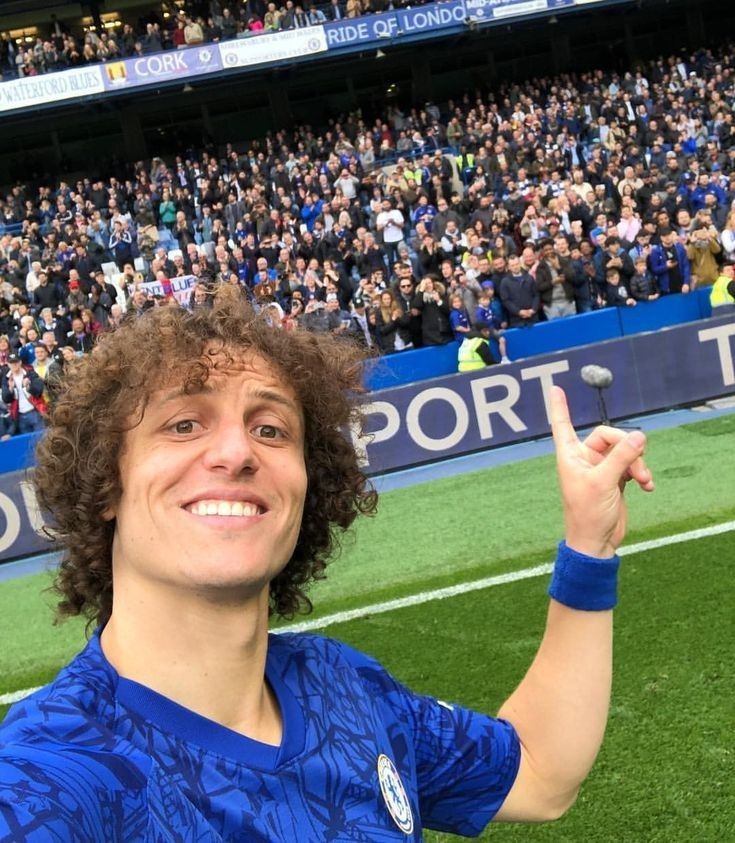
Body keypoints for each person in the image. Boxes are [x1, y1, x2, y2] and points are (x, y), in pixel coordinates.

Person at [0, 296, 656, 839]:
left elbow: (539, 771)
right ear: (105, 483)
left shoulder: (344, 686)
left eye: (270, 428)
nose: (235, 450)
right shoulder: (46, 778)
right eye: (182, 424)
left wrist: (587, 546)